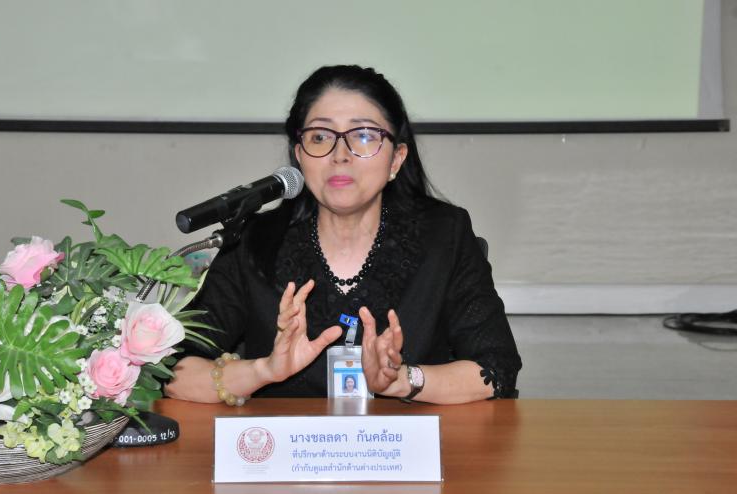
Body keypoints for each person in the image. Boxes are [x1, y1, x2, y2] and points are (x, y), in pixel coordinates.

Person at [166, 65, 521, 405]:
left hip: (402, 444)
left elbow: (495, 370)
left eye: (363, 136)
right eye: (320, 137)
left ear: (396, 159)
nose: (340, 155)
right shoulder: (254, 241)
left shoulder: (444, 235)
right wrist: (264, 370)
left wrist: (401, 380)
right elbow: (173, 371)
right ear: (299, 156)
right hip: (287, 446)